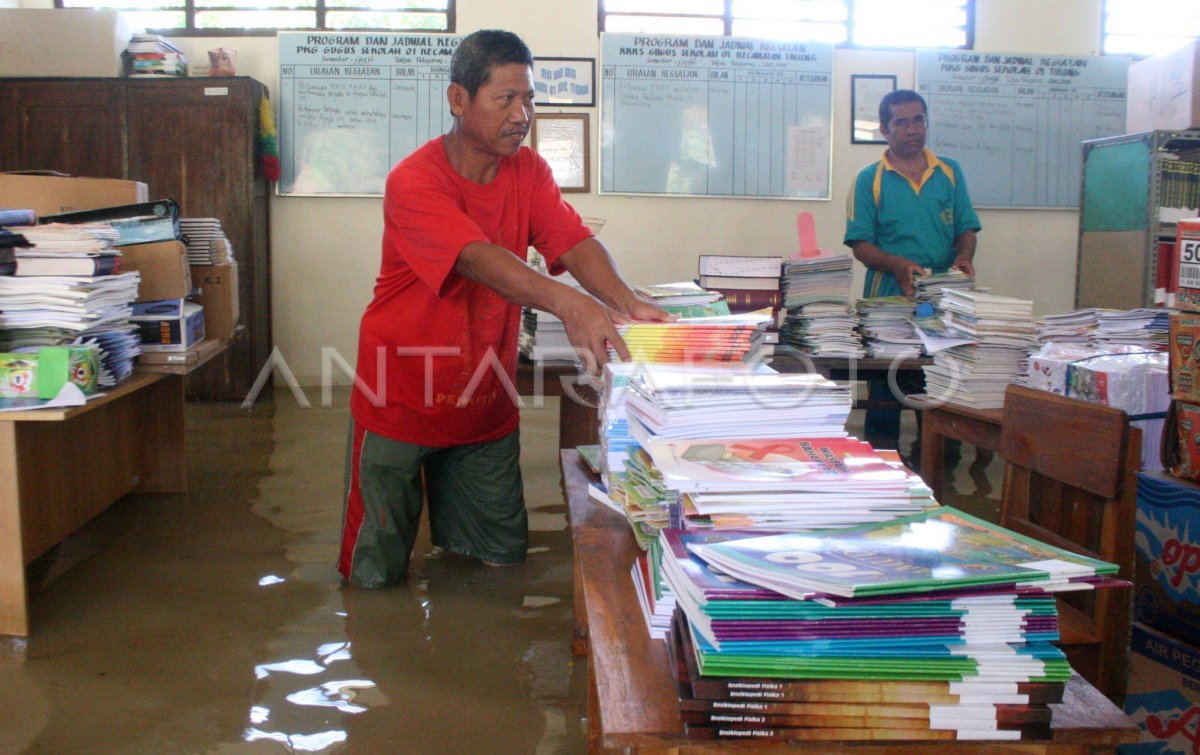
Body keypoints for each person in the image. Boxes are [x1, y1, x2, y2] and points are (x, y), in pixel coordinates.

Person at [338, 29, 670, 589]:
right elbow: (475, 258)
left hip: (484, 396)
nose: (523, 114)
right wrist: (571, 303)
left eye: (530, 98)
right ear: (458, 99)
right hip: (401, 393)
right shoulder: (413, 181)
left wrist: (627, 301)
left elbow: (570, 240)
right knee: (377, 571)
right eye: (506, 99)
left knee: (500, 561)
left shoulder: (530, 172)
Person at [843, 89, 981, 455]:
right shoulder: (869, 179)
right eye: (901, 122)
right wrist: (899, 265)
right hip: (887, 305)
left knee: (939, 394)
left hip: (943, 304)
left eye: (918, 120)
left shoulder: (950, 172)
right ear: (885, 130)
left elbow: (966, 228)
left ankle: (937, 468)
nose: (912, 130)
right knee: (886, 399)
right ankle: (883, 469)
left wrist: (964, 256)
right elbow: (860, 245)